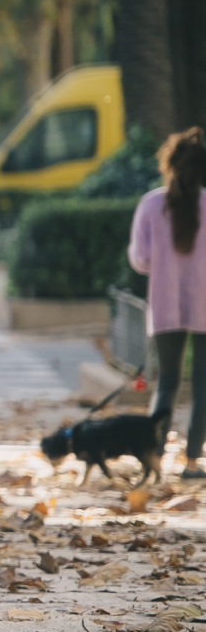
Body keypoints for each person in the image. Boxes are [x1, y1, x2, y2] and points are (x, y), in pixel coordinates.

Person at [128, 127, 206, 480]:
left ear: (169, 165)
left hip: (165, 303)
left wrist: (163, 265)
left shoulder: (151, 203)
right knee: (203, 383)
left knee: (168, 382)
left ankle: (154, 456)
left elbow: (139, 259)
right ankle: (192, 462)